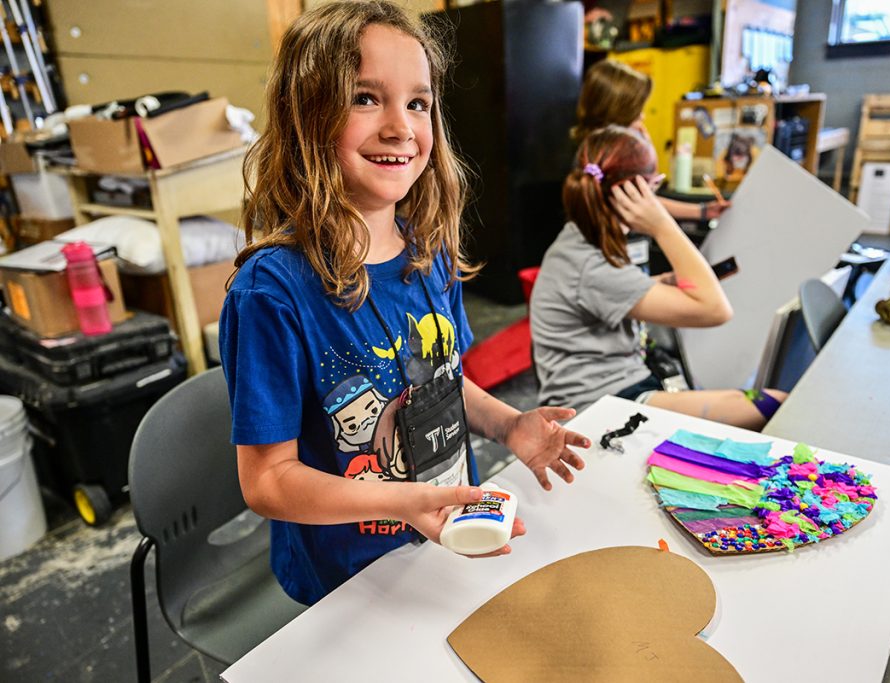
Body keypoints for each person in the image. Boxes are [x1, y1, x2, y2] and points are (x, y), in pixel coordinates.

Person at [219, 0, 589, 606]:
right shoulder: (272, 291)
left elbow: (444, 380)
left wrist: (508, 425)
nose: (400, 127)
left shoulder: (428, 250)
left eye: (418, 103)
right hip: (350, 580)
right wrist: (402, 501)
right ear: (306, 114)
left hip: (444, 541)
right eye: (365, 98)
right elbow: (267, 481)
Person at [531, 125, 786, 430]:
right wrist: (662, 225)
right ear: (640, 193)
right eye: (655, 186)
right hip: (599, 404)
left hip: (618, 381)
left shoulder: (586, 238)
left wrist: (658, 284)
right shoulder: (589, 262)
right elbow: (717, 310)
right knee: (774, 405)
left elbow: (607, 294)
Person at [571, 59, 728, 223]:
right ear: (618, 111)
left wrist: (701, 211)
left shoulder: (600, 150)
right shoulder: (603, 158)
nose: (643, 116)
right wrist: (645, 144)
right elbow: (642, 201)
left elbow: (644, 199)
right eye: (637, 110)